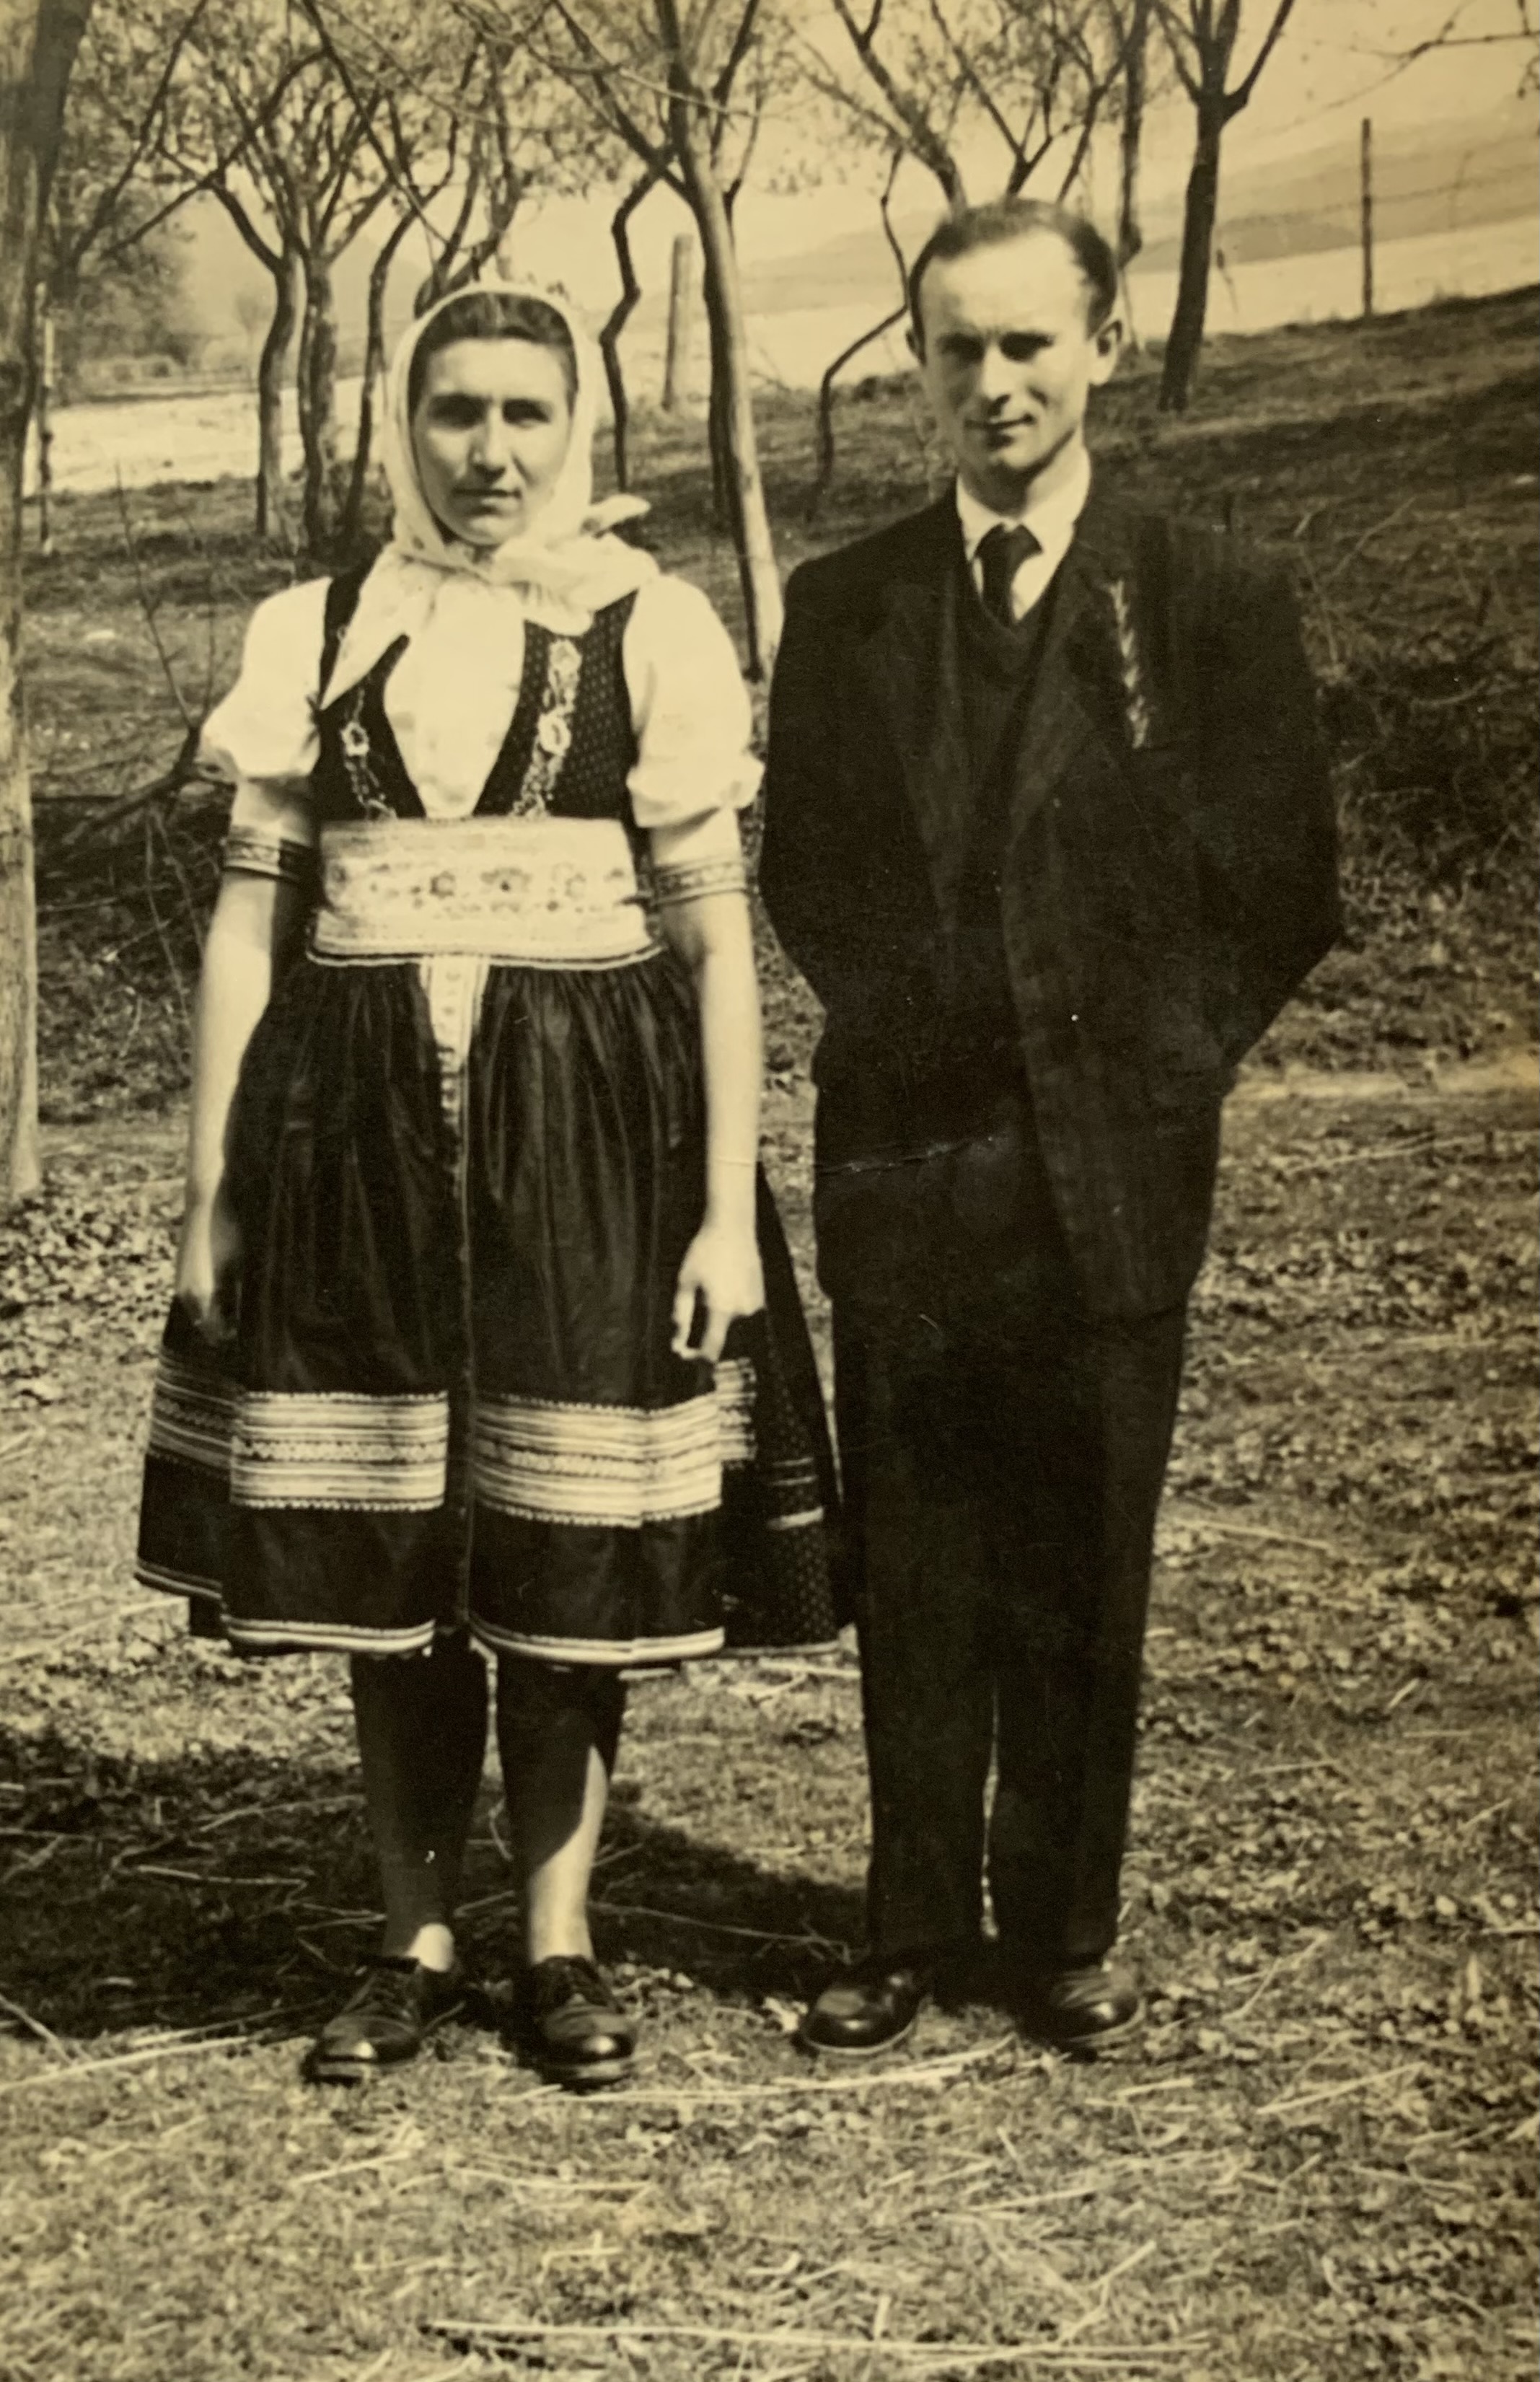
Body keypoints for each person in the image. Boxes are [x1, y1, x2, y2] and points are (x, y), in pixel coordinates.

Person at [136, 282, 836, 2090]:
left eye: (529, 411)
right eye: (458, 410)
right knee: (390, 1543)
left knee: (560, 1547)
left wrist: (719, 1212)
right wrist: (213, 1189)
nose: (492, 450)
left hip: (589, 1129)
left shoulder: (648, 623)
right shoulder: (313, 627)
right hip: (351, 1134)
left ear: (576, 424)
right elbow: (247, 927)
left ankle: (558, 1942)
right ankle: (410, 1939)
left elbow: (717, 945)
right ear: (406, 422)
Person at [759, 200, 1340, 2060]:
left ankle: (1066, 1927)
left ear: (1103, 346)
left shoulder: (1209, 593)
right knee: (920, 1550)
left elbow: (1284, 881)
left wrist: (1151, 1060)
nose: (995, 383)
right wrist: (921, 1033)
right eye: (960, 348)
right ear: (918, 363)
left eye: (1029, 343)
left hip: (1113, 1158)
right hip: (912, 1154)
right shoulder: (844, 605)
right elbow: (809, 873)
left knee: (1087, 1549)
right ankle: (912, 1919)